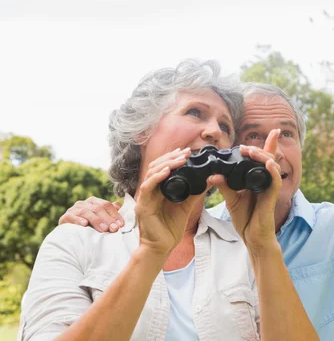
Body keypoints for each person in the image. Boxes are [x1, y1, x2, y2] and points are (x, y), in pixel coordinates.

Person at [59, 0, 334, 340]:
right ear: (221, 156)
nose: (273, 150)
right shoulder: (200, 236)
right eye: (251, 136)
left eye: (287, 133)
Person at [18, 59, 318, 341]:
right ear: (142, 130)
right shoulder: (76, 242)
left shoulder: (245, 250)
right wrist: (150, 252)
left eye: (225, 127)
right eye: (195, 112)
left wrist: (263, 247)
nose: (214, 131)